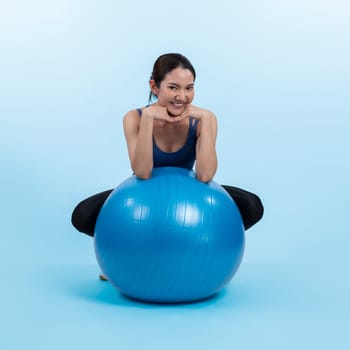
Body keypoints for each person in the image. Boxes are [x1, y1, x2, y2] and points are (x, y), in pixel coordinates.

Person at [71, 53, 264, 280]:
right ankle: (122, 261)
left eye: (189, 88)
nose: (182, 97)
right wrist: (149, 120)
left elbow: (205, 174)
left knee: (252, 206)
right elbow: (142, 171)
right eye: (173, 87)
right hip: (145, 197)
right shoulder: (134, 118)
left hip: (191, 196)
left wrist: (206, 120)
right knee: (83, 215)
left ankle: (197, 258)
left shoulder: (204, 119)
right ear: (154, 86)